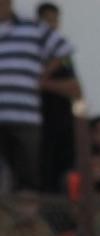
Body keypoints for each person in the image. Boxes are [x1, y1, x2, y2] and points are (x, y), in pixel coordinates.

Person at [0, 0, 73, 190]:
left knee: (27, 175)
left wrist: (42, 76)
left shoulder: (33, 28)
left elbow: (65, 52)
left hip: (26, 116)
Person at [37, 2, 82, 193]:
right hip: (37, 124)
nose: (52, 25)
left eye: (55, 21)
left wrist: (41, 83)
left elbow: (74, 88)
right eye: (47, 20)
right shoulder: (29, 52)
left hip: (61, 122)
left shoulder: (63, 56)